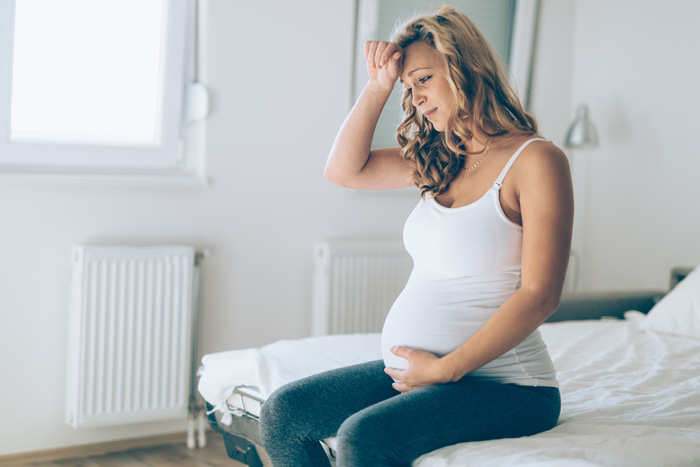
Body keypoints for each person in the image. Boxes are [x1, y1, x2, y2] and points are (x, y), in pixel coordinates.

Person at [259, 6, 573, 466]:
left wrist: (445, 370)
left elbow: (541, 295)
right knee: (285, 414)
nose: (416, 98)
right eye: (409, 87)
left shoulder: (536, 160)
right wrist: (377, 86)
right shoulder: (442, 157)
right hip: (423, 371)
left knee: (363, 438)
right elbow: (344, 171)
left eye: (423, 79)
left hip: (510, 387)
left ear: (465, 68)